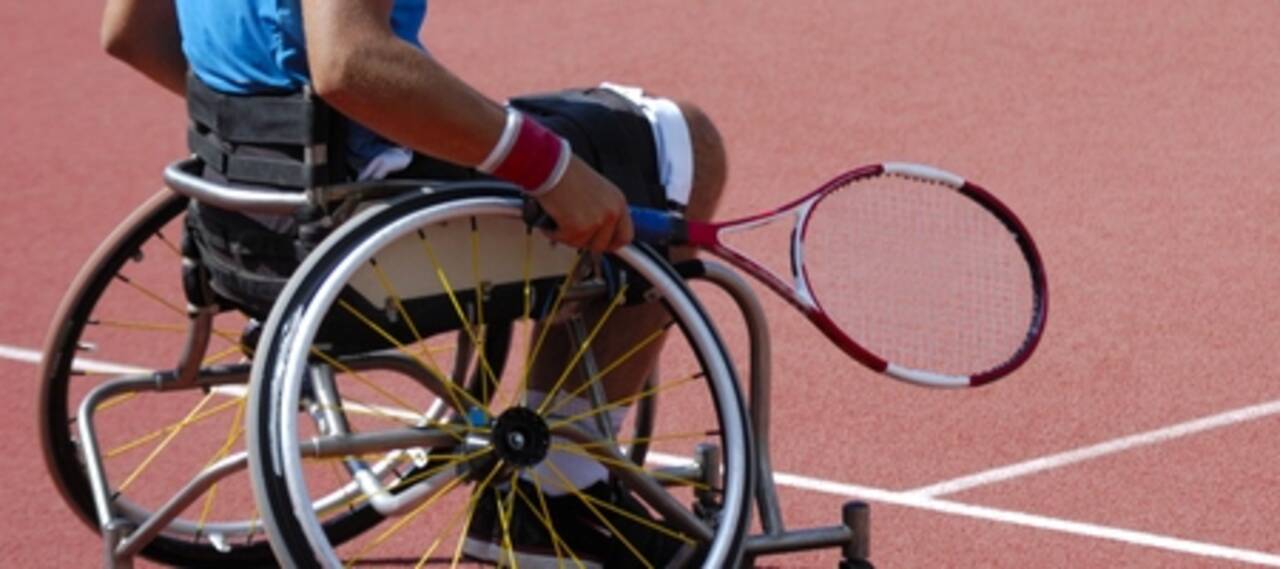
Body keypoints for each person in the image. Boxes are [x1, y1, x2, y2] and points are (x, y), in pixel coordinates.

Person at [102, 1, 726, 566]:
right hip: (357, 220)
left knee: (548, 129)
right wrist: (551, 168)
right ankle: (556, 492)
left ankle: (561, 473)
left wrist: (269, 143)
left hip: (245, 218)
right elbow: (349, 62)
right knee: (679, 139)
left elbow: (130, 35)